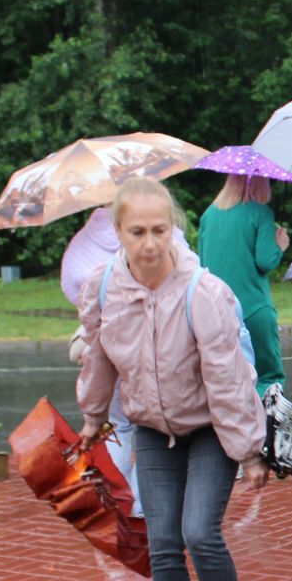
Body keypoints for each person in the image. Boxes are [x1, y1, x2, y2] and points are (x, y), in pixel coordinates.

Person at [77, 178, 269, 581]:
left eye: (159, 230)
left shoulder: (202, 292)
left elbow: (228, 378)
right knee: (162, 542)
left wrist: (248, 452)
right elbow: (98, 357)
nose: (150, 243)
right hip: (151, 428)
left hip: (209, 430)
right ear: (118, 232)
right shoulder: (104, 288)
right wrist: (91, 416)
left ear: (174, 230)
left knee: (200, 533)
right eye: (138, 231)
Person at [61, 205, 192, 518]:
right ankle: (142, 508)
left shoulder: (88, 236)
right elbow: (184, 277)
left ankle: (114, 502)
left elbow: (74, 283)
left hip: (111, 344)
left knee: (118, 426)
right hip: (156, 347)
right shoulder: (159, 228)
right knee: (153, 429)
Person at [196, 173, 288, 394]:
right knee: (269, 378)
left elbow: (201, 264)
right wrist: (280, 245)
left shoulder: (208, 215)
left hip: (217, 310)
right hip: (254, 308)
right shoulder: (261, 213)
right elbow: (265, 261)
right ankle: (264, 425)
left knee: (227, 378)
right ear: (260, 181)